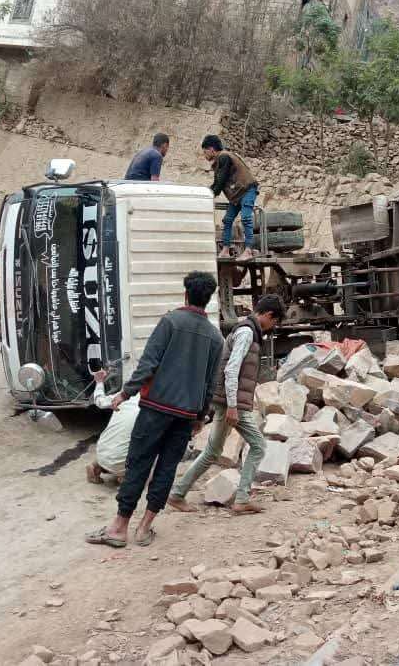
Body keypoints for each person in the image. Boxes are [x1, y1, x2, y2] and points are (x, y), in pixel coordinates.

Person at [86, 271, 224, 548]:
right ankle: (144, 528)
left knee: (138, 464)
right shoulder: (215, 338)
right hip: (185, 415)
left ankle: (118, 528)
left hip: (155, 408)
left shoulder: (170, 321)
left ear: (186, 293)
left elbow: (148, 364)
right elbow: (210, 384)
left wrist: (125, 393)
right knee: (166, 469)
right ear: (208, 299)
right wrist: (199, 417)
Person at [168, 294, 285, 516]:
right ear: (269, 315)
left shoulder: (245, 330)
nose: (273, 326)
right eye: (275, 321)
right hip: (231, 403)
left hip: (228, 401)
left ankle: (177, 493)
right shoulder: (247, 333)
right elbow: (232, 370)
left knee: (212, 451)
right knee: (258, 446)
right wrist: (233, 405)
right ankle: (241, 499)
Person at [202, 134, 259, 261]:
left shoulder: (224, 157)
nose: (204, 155)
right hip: (237, 194)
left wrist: (210, 195)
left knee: (246, 218)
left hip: (247, 189)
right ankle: (225, 250)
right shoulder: (220, 161)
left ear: (211, 149)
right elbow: (217, 183)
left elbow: (220, 182)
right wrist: (206, 193)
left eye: (204, 151)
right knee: (227, 220)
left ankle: (249, 250)